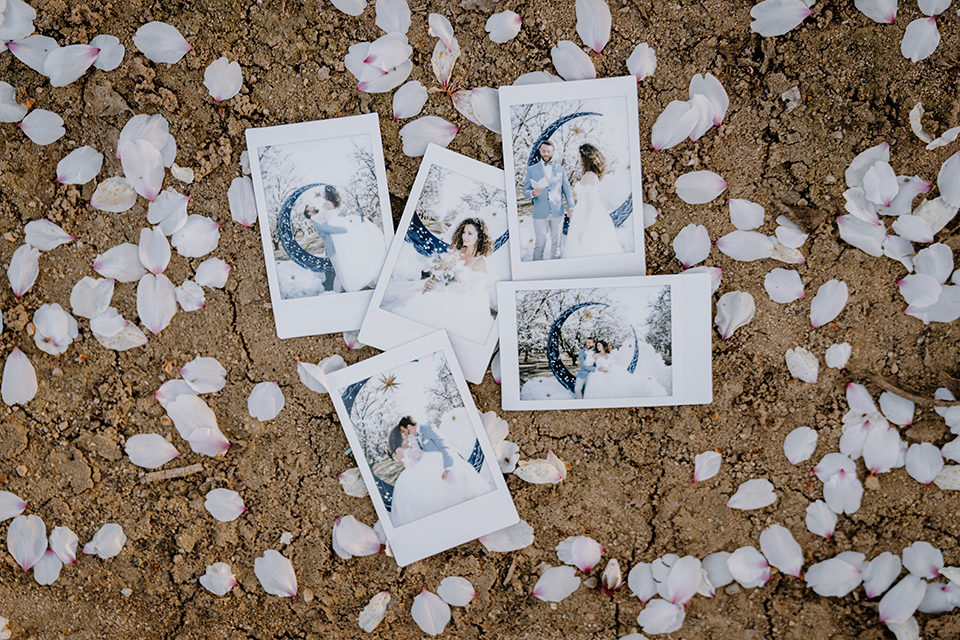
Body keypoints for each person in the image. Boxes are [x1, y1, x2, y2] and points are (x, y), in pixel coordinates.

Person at [384, 218, 495, 343]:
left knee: (424, 307)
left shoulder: (480, 261)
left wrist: (441, 288)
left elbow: (470, 290)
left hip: (462, 299)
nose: (465, 236)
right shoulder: (458, 251)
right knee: (410, 296)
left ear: (479, 237)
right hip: (443, 287)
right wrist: (435, 279)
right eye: (464, 232)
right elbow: (444, 270)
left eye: (470, 233)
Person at [387, 416, 492, 526]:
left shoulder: (416, 438)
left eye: (404, 431)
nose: (406, 434)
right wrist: (413, 439)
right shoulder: (399, 450)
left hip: (427, 465)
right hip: (417, 472)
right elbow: (416, 455)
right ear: (397, 437)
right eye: (402, 433)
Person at [561, 144, 624, 259]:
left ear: (585, 157)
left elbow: (591, 203)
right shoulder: (589, 174)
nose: (578, 158)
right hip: (581, 211)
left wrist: (584, 230)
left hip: (588, 215)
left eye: (579, 156)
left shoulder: (590, 176)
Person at [523, 140, 574, 260]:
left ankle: (555, 270)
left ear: (552, 152)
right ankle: (536, 270)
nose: (546, 153)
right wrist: (532, 193)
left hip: (558, 212)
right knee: (540, 244)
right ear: (540, 151)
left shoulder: (560, 169)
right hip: (540, 213)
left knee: (556, 244)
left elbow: (567, 189)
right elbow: (525, 190)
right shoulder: (532, 169)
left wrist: (571, 207)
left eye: (548, 151)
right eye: (544, 150)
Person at [583, 340, 668, 399]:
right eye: (597, 345)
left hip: (610, 372)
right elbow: (586, 364)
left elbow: (612, 364)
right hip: (599, 374)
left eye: (599, 345)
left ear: (604, 346)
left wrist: (609, 368)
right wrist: (597, 368)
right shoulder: (595, 355)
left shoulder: (609, 355)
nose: (598, 347)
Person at [304, 185, 347, 292]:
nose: (311, 205)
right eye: (308, 207)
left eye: (323, 192)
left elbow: (326, 220)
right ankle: (338, 293)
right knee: (341, 274)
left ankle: (338, 293)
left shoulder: (322, 212)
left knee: (341, 274)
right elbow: (328, 228)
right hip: (334, 246)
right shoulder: (317, 220)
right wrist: (346, 230)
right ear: (309, 213)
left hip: (336, 245)